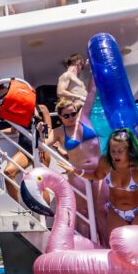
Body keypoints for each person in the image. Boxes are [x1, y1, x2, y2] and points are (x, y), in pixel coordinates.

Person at [71, 128, 138, 240]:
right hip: (116, 211)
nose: (115, 155)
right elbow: (97, 176)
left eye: (120, 151)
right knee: (117, 247)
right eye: (113, 150)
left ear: (129, 150)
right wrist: (77, 171)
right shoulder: (106, 162)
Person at [49, 96, 103, 238]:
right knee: (82, 212)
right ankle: (87, 245)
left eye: (73, 113)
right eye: (66, 115)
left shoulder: (85, 121)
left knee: (100, 210)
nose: (71, 117)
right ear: (60, 117)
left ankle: (106, 245)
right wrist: (41, 130)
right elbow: (43, 144)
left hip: (98, 171)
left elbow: (90, 94)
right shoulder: (58, 131)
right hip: (78, 175)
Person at [3, 103, 52, 202]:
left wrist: (43, 144)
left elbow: (49, 128)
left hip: (40, 148)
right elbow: (13, 130)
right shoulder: (17, 109)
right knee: (8, 172)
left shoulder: (41, 108)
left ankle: (45, 215)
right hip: (25, 149)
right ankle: (17, 209)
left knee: (40, 182)